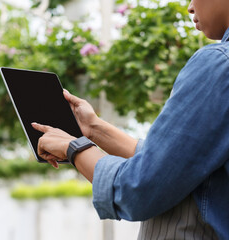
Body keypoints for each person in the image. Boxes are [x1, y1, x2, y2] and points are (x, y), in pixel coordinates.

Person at [31, 0, 229, 239]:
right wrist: (93, 128)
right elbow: (169, 162)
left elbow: (140, 188)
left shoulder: (219, 64)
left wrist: (72, 148)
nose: (189, 7)